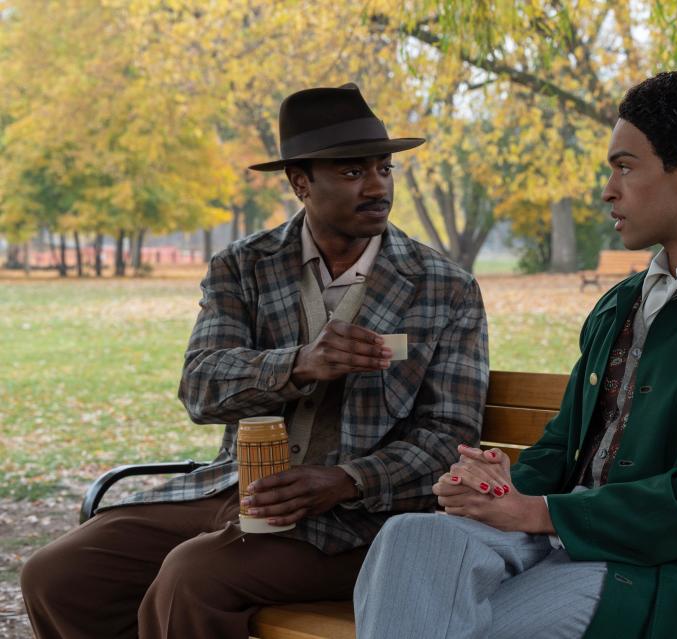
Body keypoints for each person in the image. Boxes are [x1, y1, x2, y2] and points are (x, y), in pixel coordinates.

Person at [354, 70, 677, 639]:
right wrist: (502, 488)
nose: (608, 189)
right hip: (563, 536)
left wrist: (539, 513)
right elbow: (567, 445)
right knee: (410, 540)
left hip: (671, 576)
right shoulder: (622, 304)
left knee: (468, 628)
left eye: (625, 166)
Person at [20, 84, 489, 639]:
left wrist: (346, 480)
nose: (376, 186)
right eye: (350, 172)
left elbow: (450, 434)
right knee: (56, 574)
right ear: (300, 182)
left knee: (193, 578)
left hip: (361, 520)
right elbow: (201, 387)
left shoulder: (444, 287)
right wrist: (296, 365)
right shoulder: (244, 267)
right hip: (231, 490)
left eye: (383, 169)